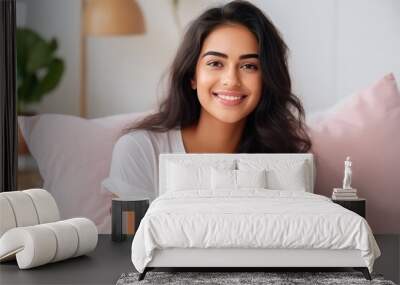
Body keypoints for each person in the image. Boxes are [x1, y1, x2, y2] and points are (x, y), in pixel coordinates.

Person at [102, 0, 312, 200]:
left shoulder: (285, 160)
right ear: (193, 75)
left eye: (249, 66)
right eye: (215, 63)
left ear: (266, 78)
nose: (231, 80)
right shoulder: (140, 150)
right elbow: (128, 236)